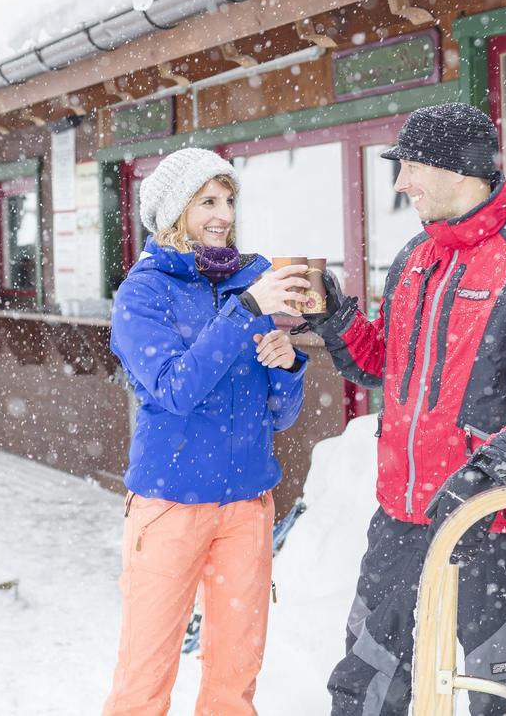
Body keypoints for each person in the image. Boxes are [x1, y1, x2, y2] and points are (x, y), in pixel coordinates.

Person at [302, 103, 506, 716]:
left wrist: (496, 466)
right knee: (365, 681)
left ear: (460, 169)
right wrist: (336, 321)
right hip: (404, 514)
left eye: (411, 166)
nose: (400, 183)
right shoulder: (417, 258)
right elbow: (385, 364)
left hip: (497, 520)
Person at [103, 147, 312, 716]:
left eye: (228, 201)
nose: (223, 214)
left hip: (248, 503)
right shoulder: (143, 294)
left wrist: (285, 365)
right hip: (170, 503)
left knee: (235, 674)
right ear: (174, 211)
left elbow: (279, 417)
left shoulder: (252, 280)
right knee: (145, 674)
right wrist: (245, 313)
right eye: (208, 202)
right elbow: (173, 390)